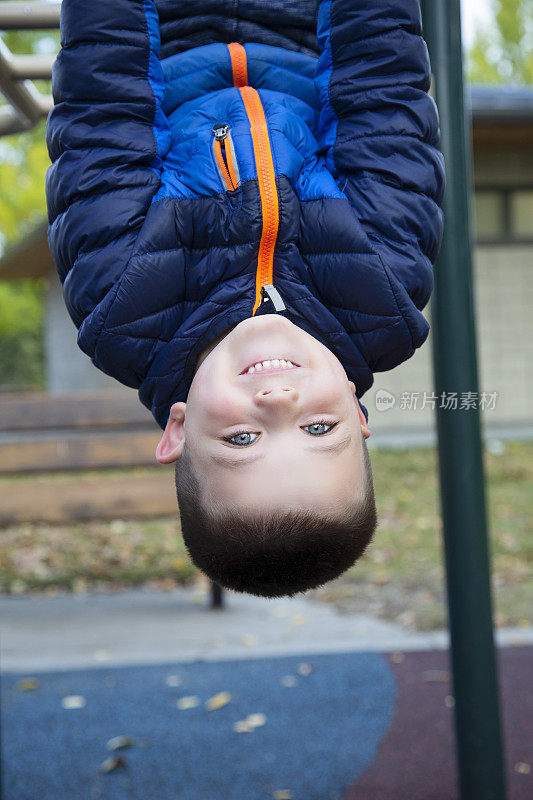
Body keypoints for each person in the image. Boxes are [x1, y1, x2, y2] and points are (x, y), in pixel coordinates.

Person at [46, 0, 444, 597]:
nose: (280, 400)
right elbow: (383, 98)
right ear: (359, 416)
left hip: (166, 28)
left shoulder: (121, 302)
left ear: (178, 431)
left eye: (242, 440)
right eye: (318, 427)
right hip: (307, 25)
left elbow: (104, 107)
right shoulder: (385, 286)